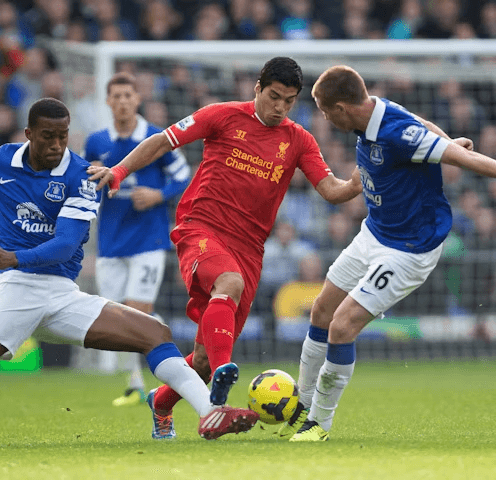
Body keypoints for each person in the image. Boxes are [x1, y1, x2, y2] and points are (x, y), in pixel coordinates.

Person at [0, 98, 258, 449]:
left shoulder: (82, 178)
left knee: (156, 334)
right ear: (29, 133)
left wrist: (14, 256)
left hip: (60, 292)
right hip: (15, 289)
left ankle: (209, 413)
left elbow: (65, 246)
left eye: (63, 136)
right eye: (48, 136)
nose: (56, 145)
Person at [87, 57, 362, 439]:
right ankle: (220, 390)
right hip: (201, 228)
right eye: (274, 96)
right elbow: (162, 141)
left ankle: (162, 401)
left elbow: (331, 190)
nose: (280, 107)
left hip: (250, 249)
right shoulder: (221, 116)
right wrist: (118, 170)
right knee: (227, 285)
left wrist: (356, 182)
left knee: (200, 358)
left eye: (289, 100)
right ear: (257, 88)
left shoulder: (298, 139)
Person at [286, 65, 496, 442]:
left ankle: (319, 422)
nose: (324, 118)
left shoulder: (397, 134)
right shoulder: (376, 110)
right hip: (374, 232)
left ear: (342, 108)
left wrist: (452, 147)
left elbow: (470, 162)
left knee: (342, 325)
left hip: (407, 250)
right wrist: (448, 138)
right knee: (321, 309)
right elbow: (421, 121)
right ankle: (299, 402)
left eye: (324, 110)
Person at [84, 72, 191, 407]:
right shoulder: (97, 142)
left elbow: (184, 176)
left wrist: (159, 195)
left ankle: (148, 380)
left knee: (137, 310)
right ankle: (138, 376)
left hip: (149, 240)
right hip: (112, 242)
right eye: (116, 96)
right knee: (117, 320)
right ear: (108, 101)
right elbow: (91, 185)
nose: (122, 101)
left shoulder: (156, 138)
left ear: (137, 99)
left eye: (128, 95)